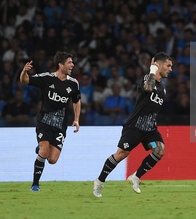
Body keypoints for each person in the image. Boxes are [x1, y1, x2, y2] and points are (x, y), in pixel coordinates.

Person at [93, 52, 172, 197]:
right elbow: (148, 88)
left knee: (158, 149)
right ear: (159, 66)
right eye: (168, 65)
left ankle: (135, 177)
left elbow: (153, 106)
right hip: (135, 127)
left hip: (149, 131)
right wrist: (152, 70)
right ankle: (99, 181)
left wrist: (154, 120)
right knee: (121, 154)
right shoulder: (146, 79)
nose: (170, 69)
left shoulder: (163, 88)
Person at [20, 52, 81, 192]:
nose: (72, 65)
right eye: (70, 62)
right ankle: (35, 184)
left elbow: (77, 101)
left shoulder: (73, 83)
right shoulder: (47, 78)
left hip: (60, 125)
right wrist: (24, 71)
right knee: (44, 151)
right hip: (45, 122)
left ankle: (42, 148)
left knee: (52, 160)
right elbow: (24, 80)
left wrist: (76, 119)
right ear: (61, 65)